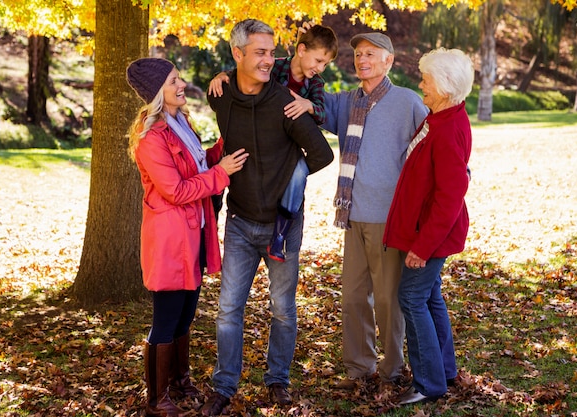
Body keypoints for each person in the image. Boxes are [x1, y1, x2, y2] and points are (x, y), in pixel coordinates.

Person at [200, 19, 334, 416]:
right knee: (228, 309)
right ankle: (224, 385)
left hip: (282, 225)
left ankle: (278, 381)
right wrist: (221, 76)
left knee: (282, 308)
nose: (268, 59)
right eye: (259, 52)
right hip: (240, 220)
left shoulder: (286, 102)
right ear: (237, 54)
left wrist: (287, 173)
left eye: (270, 52)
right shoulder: (221, 96)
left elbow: (323, 155)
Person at [125, 57, 248, 417]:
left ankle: (179, 380)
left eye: (179, 78)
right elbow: (175, 190)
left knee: (185, 315)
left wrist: (221, 149)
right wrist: (221, 173)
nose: (182, 85)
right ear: (157, 93)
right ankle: (156, 399)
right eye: (174, 81)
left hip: (194, 232)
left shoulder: (181, 124)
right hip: (169, 240)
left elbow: (197, 167)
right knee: (165, 318)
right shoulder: (151, 138)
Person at [321, 33, 429, 391]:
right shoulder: (347, 102)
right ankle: (358, 369)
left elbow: (433, 149)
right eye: (357, 54)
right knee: (353, 297)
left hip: (389, 218)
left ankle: (392, 370)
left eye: (370, 54)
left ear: (389, 62)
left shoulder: (408, 102)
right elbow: (304, 91)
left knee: (386, 299)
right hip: (352, 213)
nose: (361, 59)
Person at [383, 47, 474, 405]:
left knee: (412, 297)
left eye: (426, 80)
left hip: (433, 236)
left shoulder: (449, 127)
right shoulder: (439, 115)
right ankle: (444, 370)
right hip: (423, 231)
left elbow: (450, 197)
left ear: (447, 86)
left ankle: (428, 383)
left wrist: (422, 247)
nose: (421, 84)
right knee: (430, 296)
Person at [208, 24, 338, 262]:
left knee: (297, 175)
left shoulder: (315, 84)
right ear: (301, 50)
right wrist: (221, 75)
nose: (320, 68)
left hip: (290, 144)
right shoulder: (275, 65)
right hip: (260, 134)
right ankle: (211, 217)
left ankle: (280, 232)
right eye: (318, 60)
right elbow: (245, 70)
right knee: (225, 162)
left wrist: (308, 106)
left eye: (325, 64)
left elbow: (321, 113)